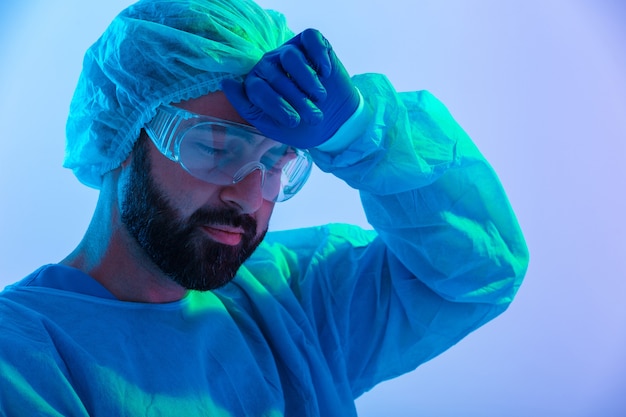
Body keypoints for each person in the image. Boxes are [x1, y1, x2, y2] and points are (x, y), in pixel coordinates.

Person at [0, 0, 529, 415]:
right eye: (213, 146)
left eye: (277, 163)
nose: (250, 196)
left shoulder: (293, 299)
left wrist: (362, 133)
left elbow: (479, 272)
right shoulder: (22, 358)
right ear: (123, 139)